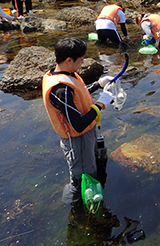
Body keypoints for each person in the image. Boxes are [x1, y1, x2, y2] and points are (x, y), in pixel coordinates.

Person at [42, 37, 115, 203]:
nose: (82, 63)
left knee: (95, 167)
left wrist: (98, 84)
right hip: (77, 140)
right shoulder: (60, 89)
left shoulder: (66, 74)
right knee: (82, 180)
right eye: (81, 60)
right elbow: (78, 125)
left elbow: (78, 98)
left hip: (88, 133)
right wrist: (100, 105)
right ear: (69, 60)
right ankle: (73, 206)